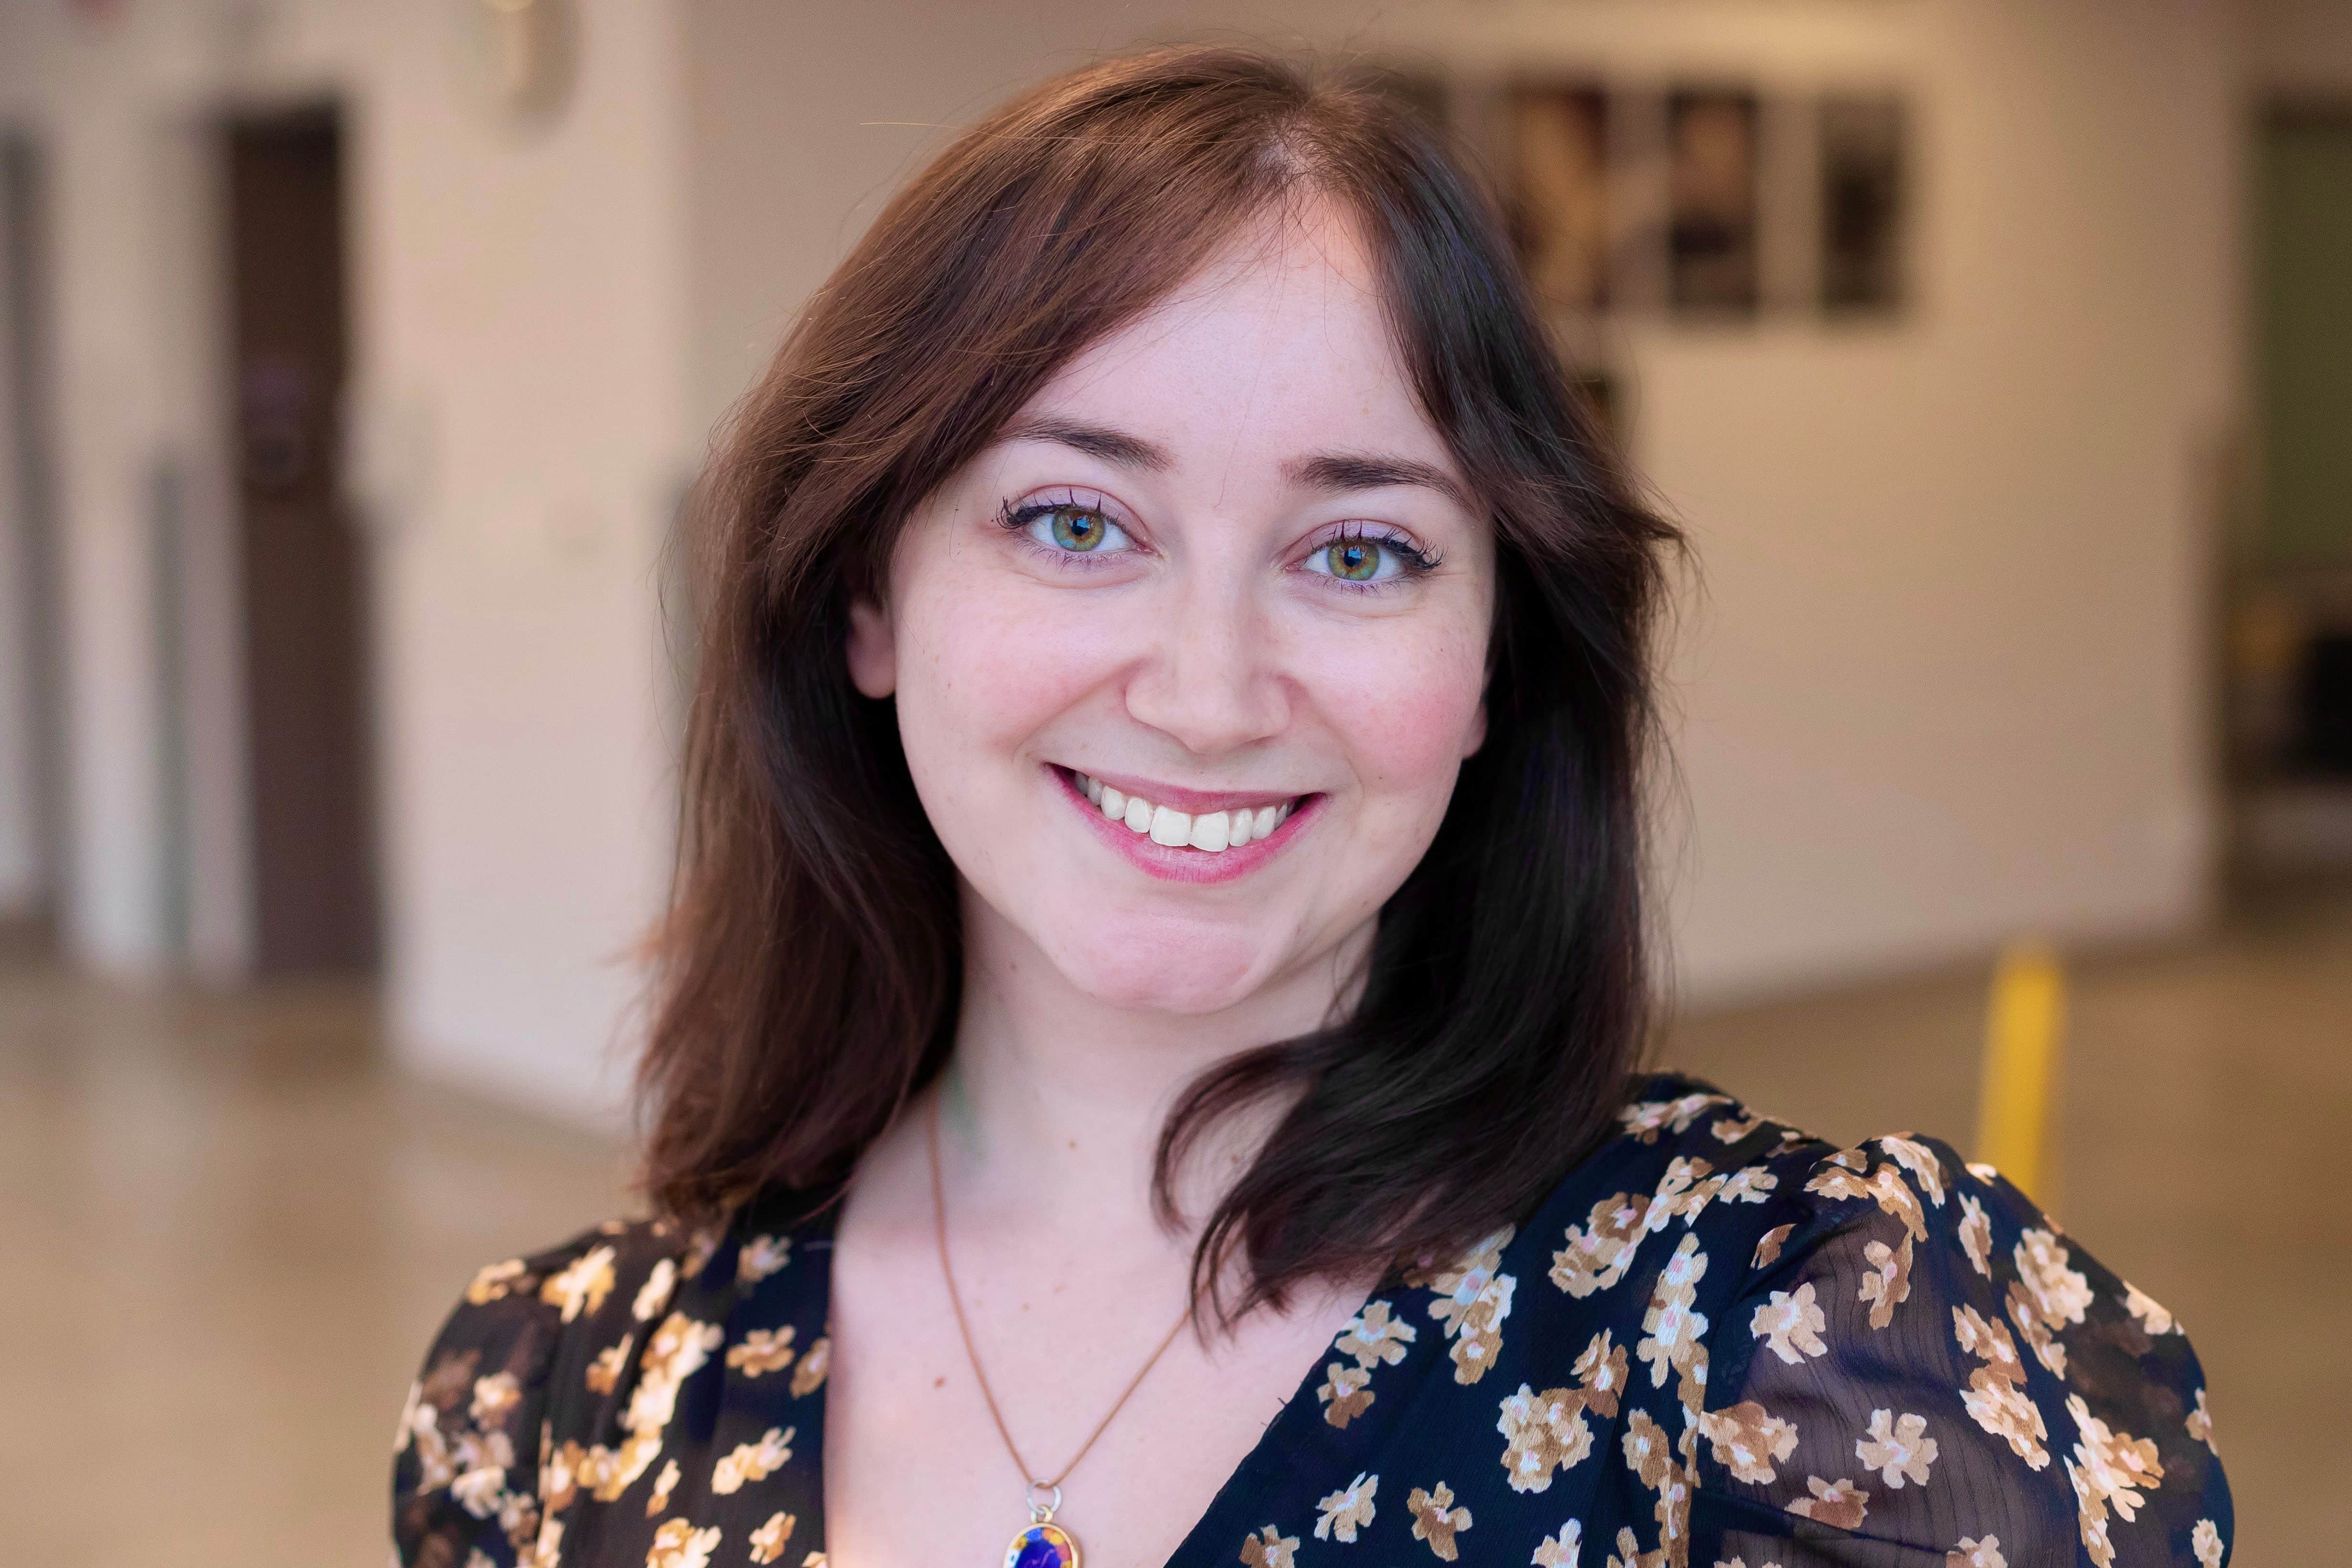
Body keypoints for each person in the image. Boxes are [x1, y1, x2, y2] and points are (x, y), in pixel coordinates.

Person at [392, 47, 2230, 1568]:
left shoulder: (1801, 1364)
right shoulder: (551, 1399)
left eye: (1358, 549)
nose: (1206, 691)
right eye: (1073, 520)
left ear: (1498, 652)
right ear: (867, 599)